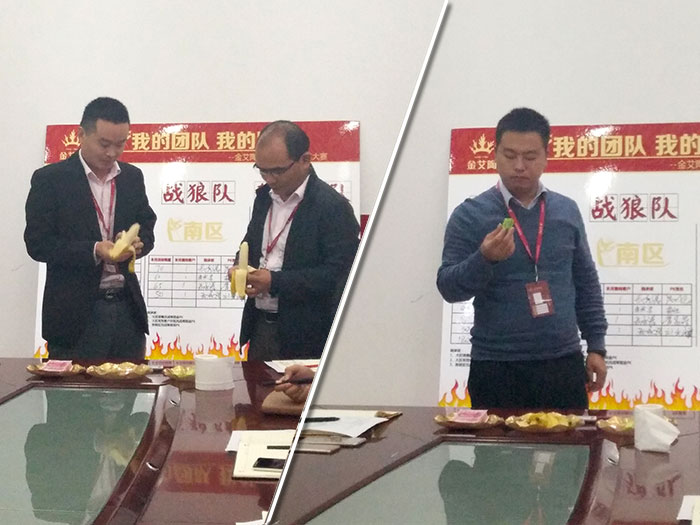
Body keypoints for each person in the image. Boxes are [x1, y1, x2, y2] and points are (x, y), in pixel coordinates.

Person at [436, 107, 607, 409]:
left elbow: (585, 282)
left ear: (546, 156)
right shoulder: (470, 215)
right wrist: (484, 258)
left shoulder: (566, 211)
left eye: (530, 157)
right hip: (496, 365)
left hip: (562, 362)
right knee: (495, 442)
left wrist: (596, 346)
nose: (519, 166)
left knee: (569, 440)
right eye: (509, 155)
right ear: (495, 154)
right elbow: (448, 287)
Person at [25, 97, 156, 360]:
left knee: (130, 385)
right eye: (104, 144)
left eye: (121, 144)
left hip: (126, 314)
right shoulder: (50, 180)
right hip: (74, 318)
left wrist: (137, 244)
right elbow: (38, 244)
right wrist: (95, 250)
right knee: (75, 387)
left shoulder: (132, 177)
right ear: (81, 135)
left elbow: (147, 227)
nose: (112, 153)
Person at [230, 121, 359, 360]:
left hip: (307, 335)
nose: (269, 179)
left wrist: (275, 282)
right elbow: (249, 243)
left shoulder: (332, 207)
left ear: (305, 160)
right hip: (260, 327)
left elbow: (338, 276)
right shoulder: (263, 199)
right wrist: (240, 266)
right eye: (262, 170)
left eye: (277, 171)